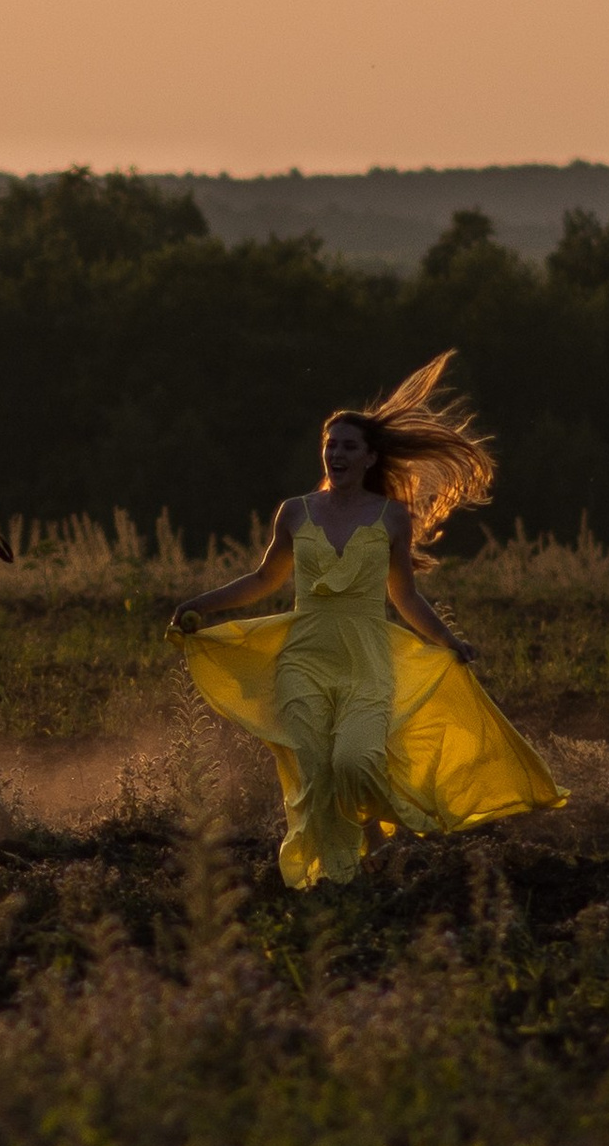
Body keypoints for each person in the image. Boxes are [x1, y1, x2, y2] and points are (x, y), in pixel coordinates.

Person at [168, 352, 566, 890]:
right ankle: (337, 876)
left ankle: (374, 835)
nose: (336, 453)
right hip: (304, 656)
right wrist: (201, 603)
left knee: (355, 760)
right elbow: (264, 580)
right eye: (330, 445)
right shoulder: (295, 511)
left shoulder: (392, 517)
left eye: (347, 446)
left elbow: (403, 595)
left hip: (366, 660)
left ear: (369, 457)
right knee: (314, 766)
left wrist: (448, 640)